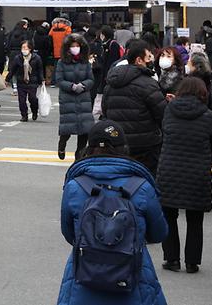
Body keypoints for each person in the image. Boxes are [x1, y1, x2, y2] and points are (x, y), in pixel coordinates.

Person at [57, 120, 168, 305]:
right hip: (133, 279)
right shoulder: (142, 186)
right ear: (124, 148)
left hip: (83, 280)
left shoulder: (74, 186)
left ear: (88, 148)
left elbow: (69, 234)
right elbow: (159, 233)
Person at [156, 77, 212, 274]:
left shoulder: (169, 110)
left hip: (169, 169)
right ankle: (192, 262)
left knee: (169, 214)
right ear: (202, 94)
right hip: (197, 173)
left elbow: (164, 133)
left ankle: (172, 259)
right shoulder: (208, 116)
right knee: (195, 219)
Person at [102, 40, 167, 174]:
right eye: (148, 57)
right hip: (146, 145)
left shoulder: (112, 82)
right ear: (139, 60)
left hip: (118, 141)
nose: (151, 60)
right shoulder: (149, 83)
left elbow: (105, 110)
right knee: (146, 180)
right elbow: (162, 114)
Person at [56, 34, 94, 161]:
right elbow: (59, 80)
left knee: (85, 130)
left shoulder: (85, 62)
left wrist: (83, 85)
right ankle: (62, 144)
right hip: (68, 98)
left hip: (83, 98)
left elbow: (91, 79)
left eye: (78, 46)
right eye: (73, 46)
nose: (75, 48)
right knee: (67, 127)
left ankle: (79, 155)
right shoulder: (61, 62)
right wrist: (71, 86)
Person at [11, 41, 43, 121]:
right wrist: (7, 79)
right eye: (22, 48)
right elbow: (13, 70)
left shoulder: (36, 58)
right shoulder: (18, 58)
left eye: (26, 48)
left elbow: (40, 70)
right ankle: (24, 115)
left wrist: (41, 79)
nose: (24, 50)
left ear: (30, 48)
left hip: (32, 81)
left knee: (32, 99)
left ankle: (34, 111)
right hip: (21, 82)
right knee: (22, 100)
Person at [33, 23, 54, 87]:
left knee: (36, 66)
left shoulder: (35, 34)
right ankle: (43, 79)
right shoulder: (46, 36)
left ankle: (37, 79)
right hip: (44, 53)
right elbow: (48, 46)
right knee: (43, 66)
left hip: (36, 51)